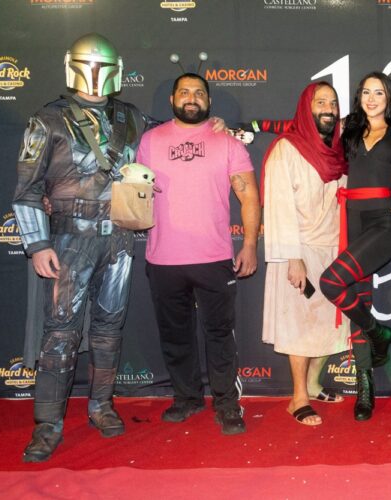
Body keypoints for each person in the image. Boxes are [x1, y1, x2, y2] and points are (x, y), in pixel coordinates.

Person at [12, 33, 156, 462]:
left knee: (109, 328)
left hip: (119, 237)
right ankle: (48, 425)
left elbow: (167, 145)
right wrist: (38, 243)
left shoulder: (131, 118)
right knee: (60, 332)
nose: (95, 76)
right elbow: (27, 189)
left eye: (102, 68)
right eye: (88, 67)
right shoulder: (48, 119)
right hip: (68, 237)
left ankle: (101, 406)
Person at [137, 73, 260, 435]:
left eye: (199, 93)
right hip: (163, 258)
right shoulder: (150, 141)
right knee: (175, 335)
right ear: (173, 99)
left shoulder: (228, 143)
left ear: (208, 101)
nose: (192, 98)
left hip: (214, 257)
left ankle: (227, 403)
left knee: (220, 335)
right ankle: (187, 398)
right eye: (185, 92)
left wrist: (249, 244)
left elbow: (249, 197)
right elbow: (135, 191)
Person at [318, 72, 391, 421]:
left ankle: (378, 332)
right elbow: (300, 127)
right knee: (358, 298)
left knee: (330, 282)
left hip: (385, 222)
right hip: (352, 219)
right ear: (359, 96)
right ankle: (365, 386)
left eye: (379, 93)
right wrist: (250, 125)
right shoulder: (347, 129)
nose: (372, 99)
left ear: (389, 98)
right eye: (366, 92)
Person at [262, 82, 350, 426]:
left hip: (333, 252)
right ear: (305, 107)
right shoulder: (287, 148)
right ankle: (297, 397)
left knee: (327, 323)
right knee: (298, 324)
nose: (328, 108)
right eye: (321, 102)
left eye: (333, 103)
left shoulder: (339, 152)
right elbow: (279, 206)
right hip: (298, 251)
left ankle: (313, 384)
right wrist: (292, 257)